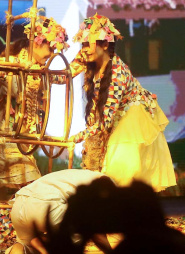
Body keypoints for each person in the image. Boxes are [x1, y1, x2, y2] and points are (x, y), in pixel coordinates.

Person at [72, 14, 176, 191]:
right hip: (110, 117)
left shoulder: (117, 74)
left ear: (105, 45)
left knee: (120, 167)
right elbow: (64, 75)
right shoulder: (87, 56)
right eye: (83, 44)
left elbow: (106, 120)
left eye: (89, 44)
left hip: (130, 118)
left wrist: (78, 136)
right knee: (94, 162)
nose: (85, 49)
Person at [0, 8, 71, 194]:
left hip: (23, 140)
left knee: (22, 192)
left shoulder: (41, 70)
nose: (52, 54)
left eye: (55, 50)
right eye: (51, 48)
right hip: (5, 137)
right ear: (36, 42)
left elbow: (63, 78)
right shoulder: (10, 63)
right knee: (30, 187)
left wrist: (84, 58)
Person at [5, 169, 113, 254]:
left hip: (18, 206)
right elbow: (96, 231)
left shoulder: (83, 176)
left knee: (28, 244)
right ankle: (47, 242)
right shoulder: (106, 185)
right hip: (44, 206)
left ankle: (20, 247)